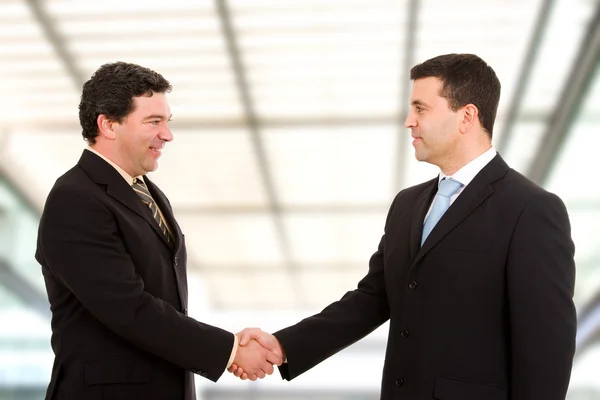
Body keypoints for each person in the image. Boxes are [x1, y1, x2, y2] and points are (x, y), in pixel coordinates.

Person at [230, 53, 577, 399]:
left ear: (466, 116)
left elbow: (546, 350)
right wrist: (283, 345)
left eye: (421, 108)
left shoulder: (531, 210)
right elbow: (372, 299)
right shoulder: (407, 205)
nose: (409, 121)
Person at [35, 62, 281, 400]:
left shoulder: (148, 193)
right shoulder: (75, 198)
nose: (167, 134)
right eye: (154, 122)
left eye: (167, 122)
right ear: (108, 124)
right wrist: (230, 350)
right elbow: (128, 307)